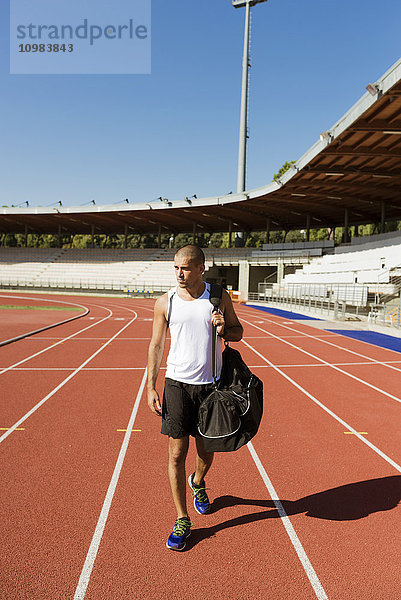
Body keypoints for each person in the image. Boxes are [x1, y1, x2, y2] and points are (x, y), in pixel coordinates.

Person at [147, 244, 243, 551]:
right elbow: (156, 346)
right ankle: (182, 518)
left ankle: (198, 482)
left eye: (185, 268)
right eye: (176, 267)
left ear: (201, 268)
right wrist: (150, 385)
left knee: (206, 450)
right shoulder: (165, 303)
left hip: (211, 388)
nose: (179, 273)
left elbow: (238, 332)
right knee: (176, 454)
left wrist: (224, 327)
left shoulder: (217, 297)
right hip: (176, 385)